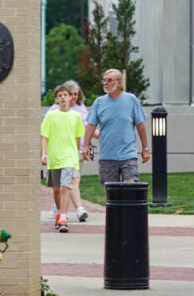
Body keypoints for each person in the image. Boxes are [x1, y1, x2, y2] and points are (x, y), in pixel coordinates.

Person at [83, 69, 150, 185]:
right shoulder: (99, 102)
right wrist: (85, 146)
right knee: (111, 195)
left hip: (128, 155)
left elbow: (140, 126)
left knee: (130, 188)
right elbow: (91, 126)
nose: (105, 83)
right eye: (104, 81)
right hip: (107, 156)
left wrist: (145, 149)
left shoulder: (131, 100)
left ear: (119, 82)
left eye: (109, 80)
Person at [41, 84, 84, 233]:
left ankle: (64, 218)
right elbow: (44, 136)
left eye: (65, 95)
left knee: (66, 187)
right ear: (56, 99)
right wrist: (43, 153)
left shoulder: (76, 116)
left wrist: (76, 153)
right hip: (54, 157)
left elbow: (78, 138)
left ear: (70, 97)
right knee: (57, 189)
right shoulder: (51, 116)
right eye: (60, 96)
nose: (63, 98)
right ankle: (59, 211)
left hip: (69, 158)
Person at [65, 80, 89, 222]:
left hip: (79, 151)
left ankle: (59, 205)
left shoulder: (81, 108)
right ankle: (80, 210)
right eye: (71, 94)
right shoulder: (58, 108)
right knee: (73, 180)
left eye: (76, 94)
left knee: (74, 181)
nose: (73, 97)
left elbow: (88, 127)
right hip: (66, 152)